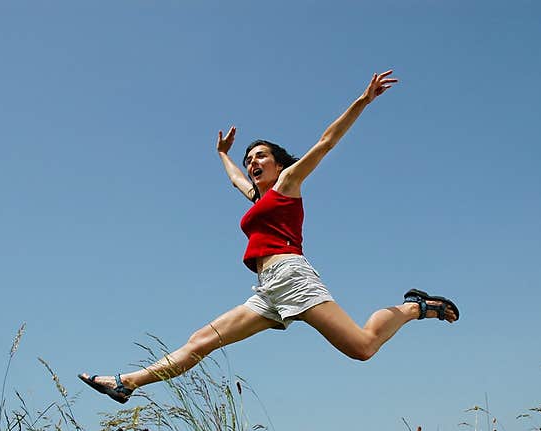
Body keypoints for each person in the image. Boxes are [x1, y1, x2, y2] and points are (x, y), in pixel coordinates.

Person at [80, 69, 459, 405]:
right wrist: (223, 155)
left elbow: (326, 142)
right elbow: (236, 180)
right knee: (201, 341)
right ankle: (126, 383)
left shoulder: (288, 184)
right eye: (249, 159)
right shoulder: (259, 198)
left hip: (292, 278)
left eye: (260, 157)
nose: (252, 163)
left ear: (279, 164)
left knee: (362, 347)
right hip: (266, 290)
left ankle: (415, 307)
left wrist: (362, 100)